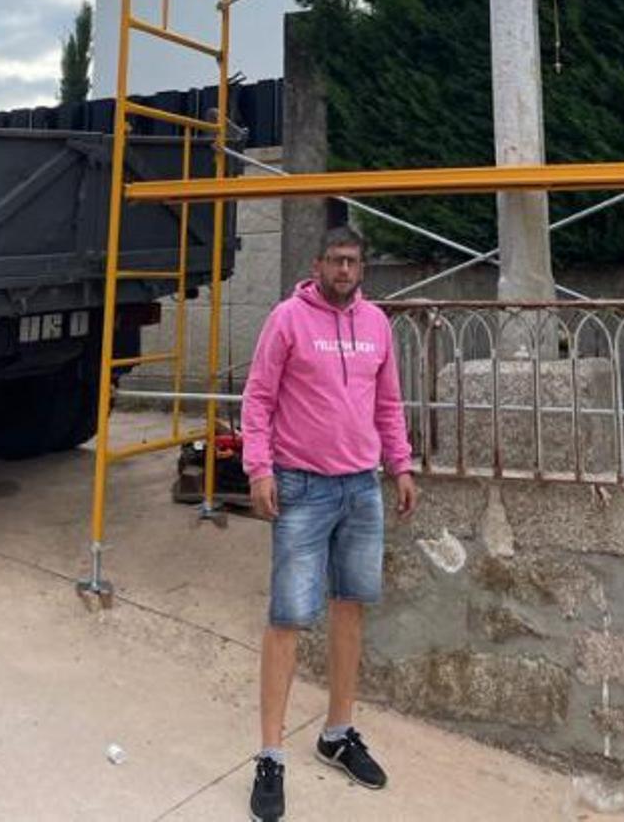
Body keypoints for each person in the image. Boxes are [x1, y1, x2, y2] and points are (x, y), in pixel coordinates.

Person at [242, 224, 418, 822]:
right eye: (336, 260)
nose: (345, 270)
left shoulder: (377, 325)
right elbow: (259, 397)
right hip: (301, 488)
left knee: (351, 607)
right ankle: (270, 754)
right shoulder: (288, 319)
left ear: (363, 268)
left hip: (361, 487)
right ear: (318, 264)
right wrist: (258, 468)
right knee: (288, 617)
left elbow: (388, 403)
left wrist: (400, 465)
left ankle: (337, 732)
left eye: (354, 262)